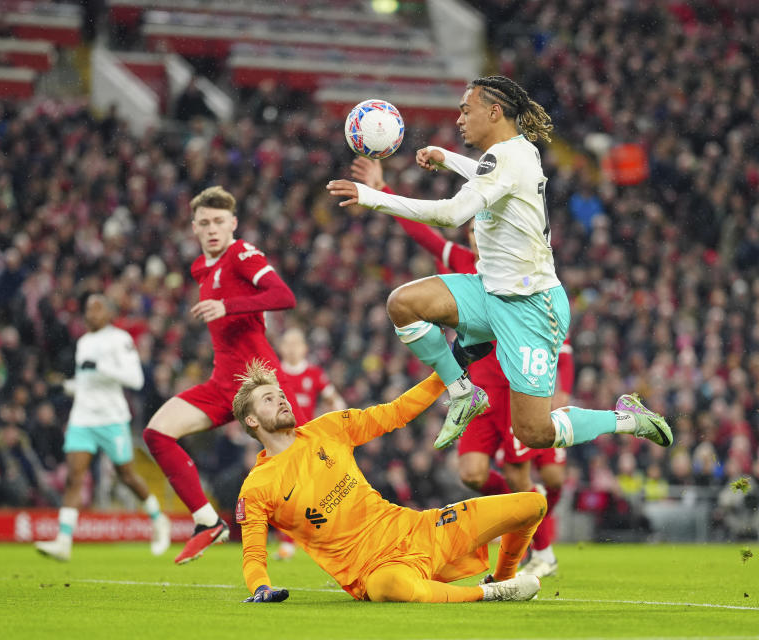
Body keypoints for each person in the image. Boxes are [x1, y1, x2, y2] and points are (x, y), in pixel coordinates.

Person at [327, 75, 672, 456]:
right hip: (491, 292)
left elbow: (453, 214)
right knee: (402, 304)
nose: (459, 119)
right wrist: (450, 159)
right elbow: (490, 175)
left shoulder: (509, 157)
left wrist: (373, 197)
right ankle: (463, 393)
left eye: (465, 110)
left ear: (494, 112)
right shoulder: (515, 152)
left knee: (535, 432)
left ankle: (628, 418)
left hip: (532, 308)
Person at [351, 156, 568, 578]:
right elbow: (420, 232)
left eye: (478, 227)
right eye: (470, 229)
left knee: (518, 472)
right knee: (472, 475)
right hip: (478, 385)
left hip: (513, 383)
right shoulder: (459, 261)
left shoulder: (520, 270)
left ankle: (536, 551)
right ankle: (522, 527)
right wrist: (382, 191)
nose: (474, 234)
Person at [234, 360, 545, 603]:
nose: (281, 400)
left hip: (419, 529)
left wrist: (444, 375)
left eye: (281, 395)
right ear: (252, 420)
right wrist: (261, 587)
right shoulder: (258, 487)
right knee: (390, 586)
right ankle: (489, 595)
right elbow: (254, 553)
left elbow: (394, 413)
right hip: (374, 570)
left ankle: (503, 579)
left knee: (532, 504)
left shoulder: (327, 428)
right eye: (268, 399)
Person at [142, 186, 306, 565]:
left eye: (219, 221)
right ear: (194, 228)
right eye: (204, 223)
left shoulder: (241, 254)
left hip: (258, 379)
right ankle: (206, 521)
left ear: (233, 223)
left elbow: (283, 296)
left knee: (301, 470)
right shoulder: (202, 268)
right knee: (156, 433)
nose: (212, 228)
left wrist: (227, 306)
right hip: (223, 384)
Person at [35, 294, 170, 561]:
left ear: (109, 313)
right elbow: (87, 382)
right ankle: (63, 541)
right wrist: (66, 387)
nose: (90, 313)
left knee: (126, 475)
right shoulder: (84, 342)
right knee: (74, 476)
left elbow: (135, 379)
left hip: (112, 418)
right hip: (83, 417)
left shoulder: (120, 340)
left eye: (96, 308)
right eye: (87, 309)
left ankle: (158, 519)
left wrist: (102, 366)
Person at [273, 326, 346, 560]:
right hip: (278, 440)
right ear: (281, 348)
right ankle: (288, 542)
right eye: (288, 343)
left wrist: (343, 422)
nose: (292, 349)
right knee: (283, 492)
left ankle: (326, 537)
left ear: (304, 348)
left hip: (306, 439)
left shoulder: (314, 374)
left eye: (297, 344)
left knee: (312, 491)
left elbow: (334, 399)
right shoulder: (273, 375)